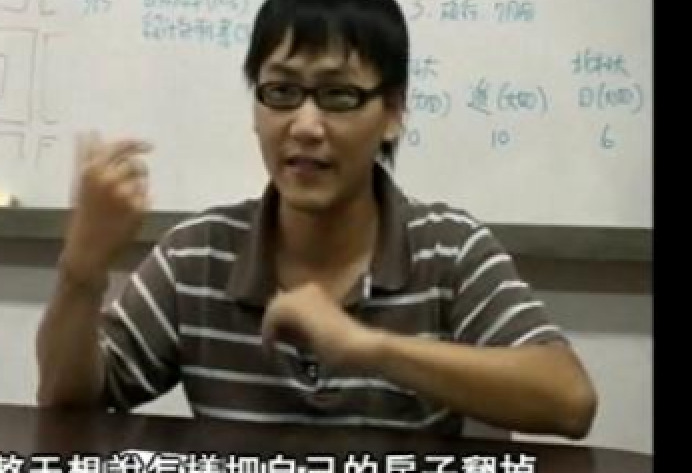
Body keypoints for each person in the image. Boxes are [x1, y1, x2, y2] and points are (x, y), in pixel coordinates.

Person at [36, 0, 597, 439]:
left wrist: (366, 347)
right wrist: (82, 267)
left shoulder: (448, 250)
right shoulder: (199, 254)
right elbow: (69, 400)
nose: (305, 125)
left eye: (338, 95)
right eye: (281, 91)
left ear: (393, 112)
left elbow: (569, 400)